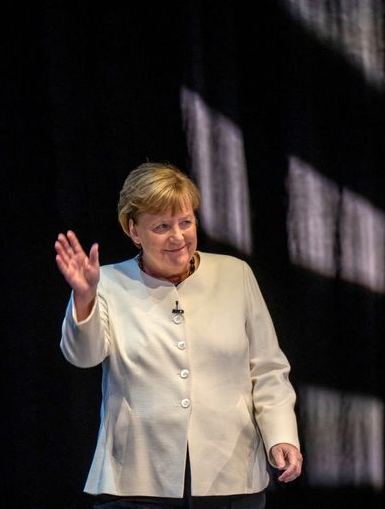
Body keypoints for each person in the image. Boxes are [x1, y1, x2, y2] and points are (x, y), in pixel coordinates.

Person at [55, 162, 302, 508]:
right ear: (133, 230)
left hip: (231, 476)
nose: (178, 236)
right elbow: (83, 356)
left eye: (186, 222)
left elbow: (268, 370)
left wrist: (281, 436)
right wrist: (84, 298)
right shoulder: (107, 283)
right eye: (161, 226)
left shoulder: (235, 275)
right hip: (136, 479)